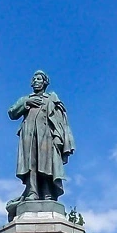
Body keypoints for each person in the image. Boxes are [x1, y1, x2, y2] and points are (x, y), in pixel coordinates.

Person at [8, 71, 75, 202]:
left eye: (39, 79)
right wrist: (27, 102)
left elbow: (60, 120)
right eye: (34, 79)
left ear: (45, 82)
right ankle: (32, 191)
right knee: (30, 163)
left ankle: (47, 192)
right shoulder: (26, 99)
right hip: (29, 134)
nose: (35, 81)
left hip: (46, 134)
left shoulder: (51, 99)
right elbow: (12, 113)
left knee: (46, 163)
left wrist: (58, 137)